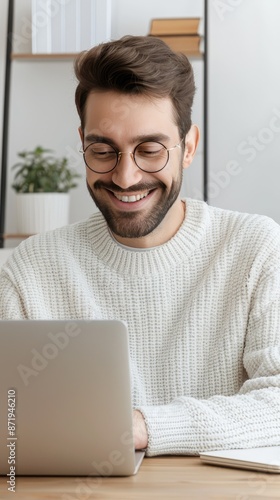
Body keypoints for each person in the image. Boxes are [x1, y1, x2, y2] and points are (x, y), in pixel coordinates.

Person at [1, 35, 280, 456]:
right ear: (82, 143)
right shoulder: (29, 271)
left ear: (188, 146)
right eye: (103, 150)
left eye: (149, 150)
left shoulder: (256, 249)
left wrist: (143, 427)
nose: (126, 178)